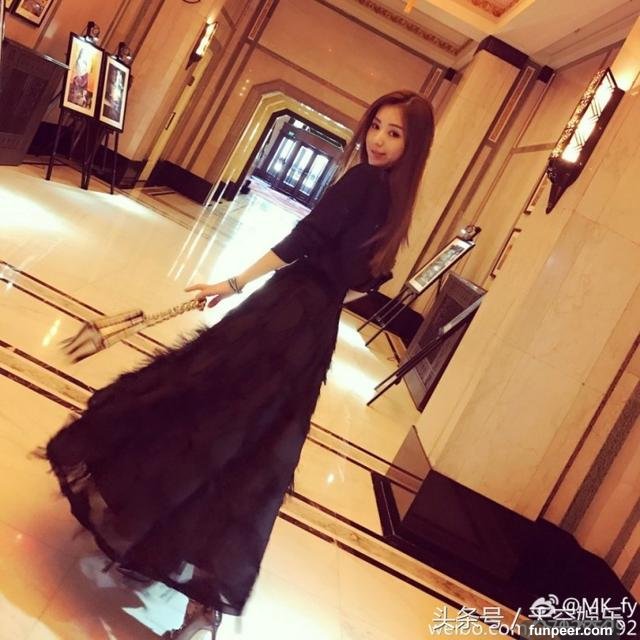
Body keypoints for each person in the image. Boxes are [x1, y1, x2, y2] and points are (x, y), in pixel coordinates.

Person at [40, 90, 435, 639]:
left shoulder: (363, 181)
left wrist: (233, 283)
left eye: (395, 133)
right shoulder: (395, 201)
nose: (379, 140)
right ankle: (199, 597)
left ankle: (151, 533)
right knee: (245, 450)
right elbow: (366, 280)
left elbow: (304, 239)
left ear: (413, 145)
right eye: (377, 126)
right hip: (311, 332)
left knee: (201, 412)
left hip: (280, 318)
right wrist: (319, 294)